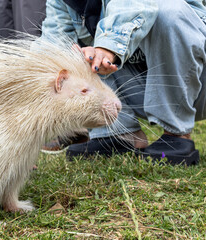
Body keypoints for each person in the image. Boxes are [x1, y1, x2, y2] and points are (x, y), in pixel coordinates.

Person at [36, 0, 206, 165]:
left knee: (169, 10)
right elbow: (53, 43)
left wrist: (107, 48)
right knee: (75, 51)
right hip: (147, 86)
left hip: (198, 83)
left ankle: (176, 134)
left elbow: (134, 4)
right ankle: (118, 133)